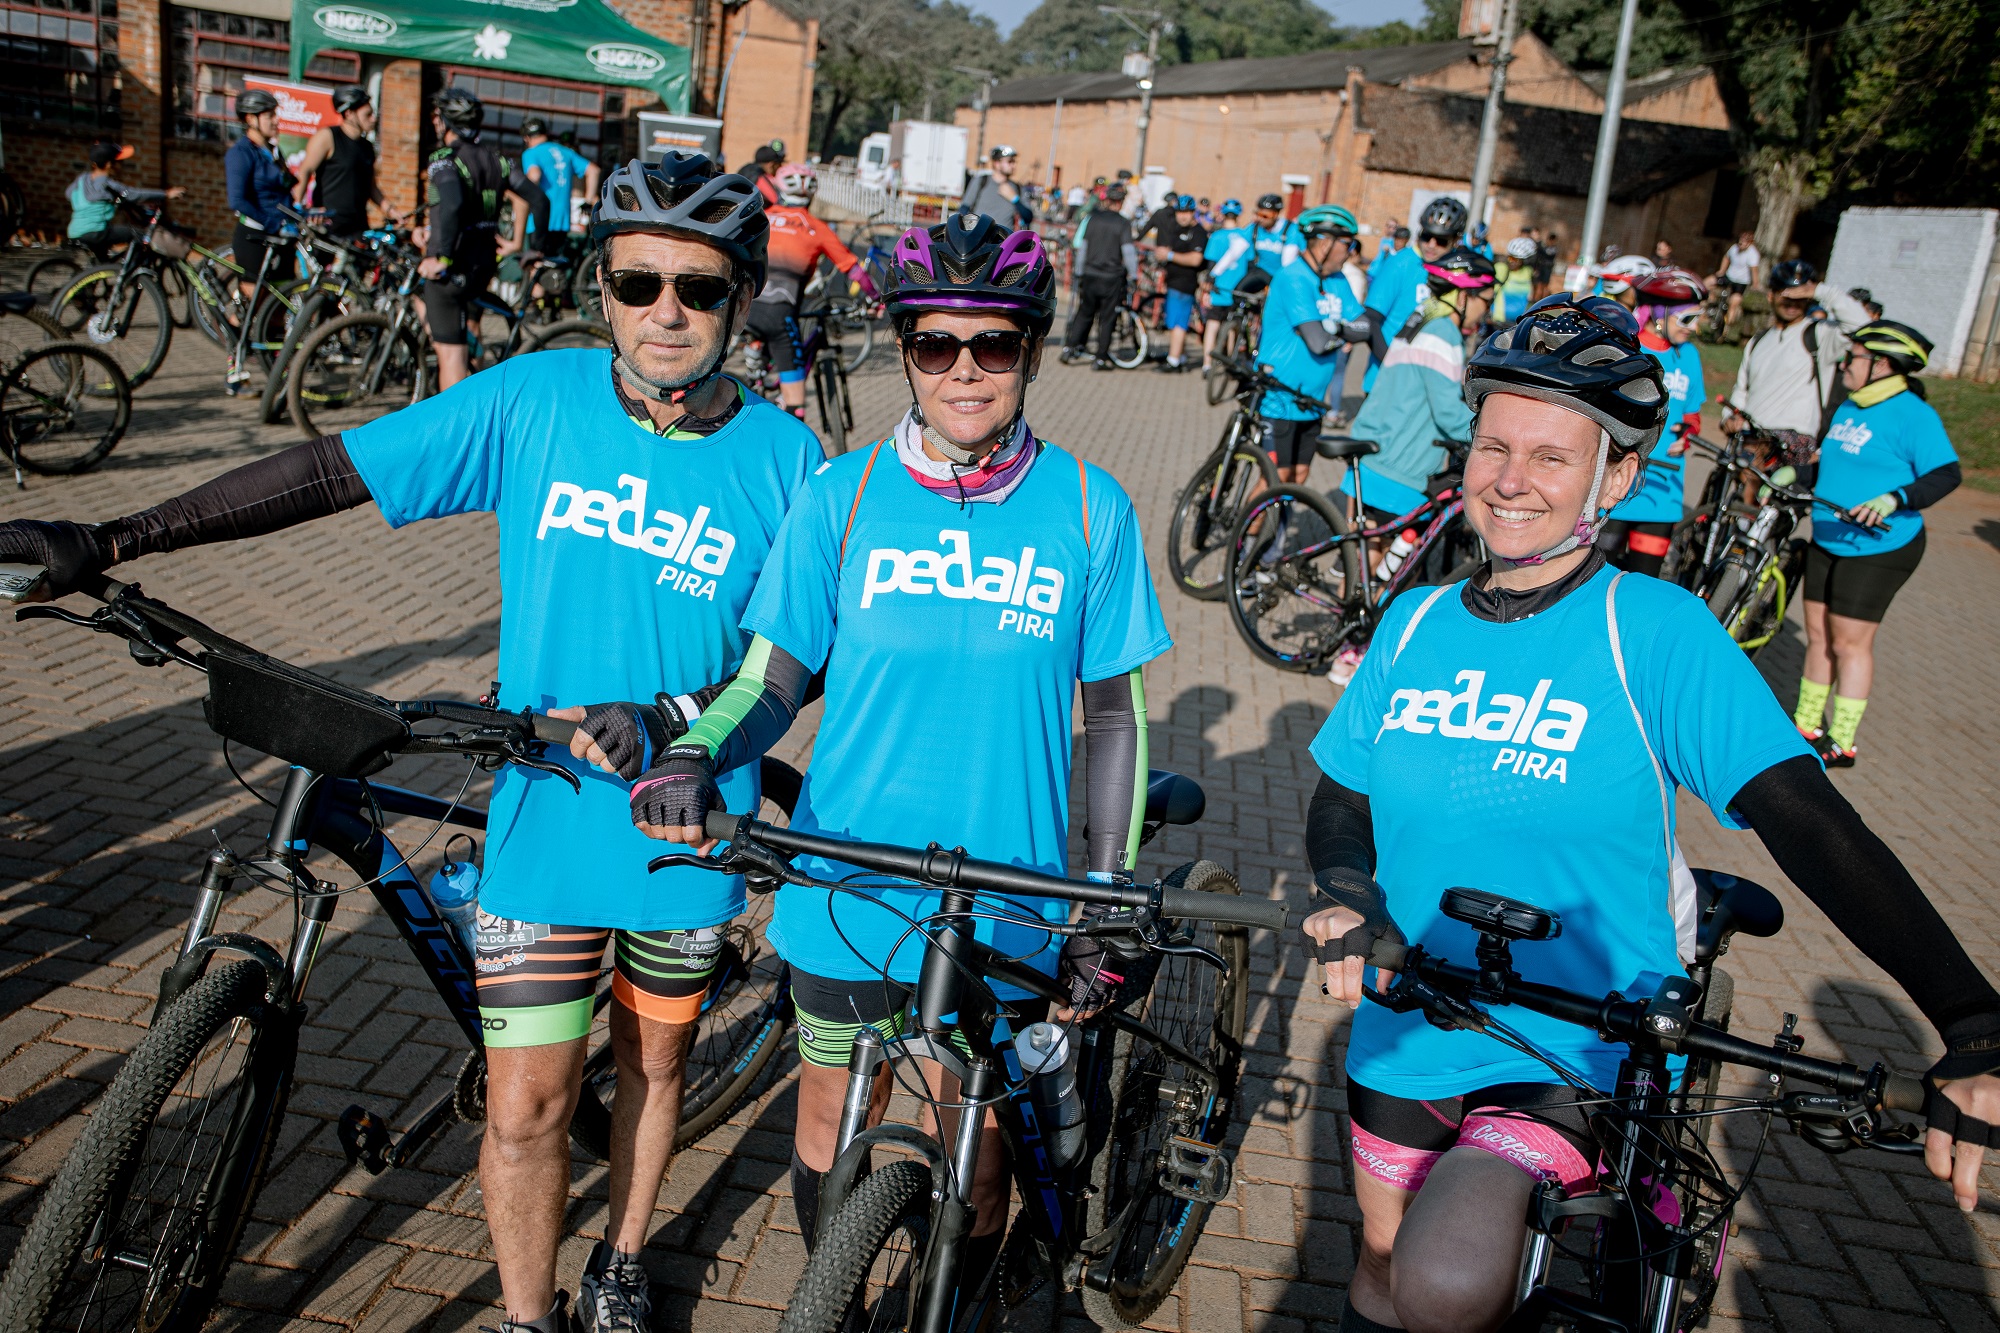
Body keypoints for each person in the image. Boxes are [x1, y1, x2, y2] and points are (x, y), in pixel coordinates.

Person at [0, 149, 819, 1333]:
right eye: (637, 282)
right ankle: (528, 1317)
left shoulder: (787, 462)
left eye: (697, 288)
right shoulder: (534, 399)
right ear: (600, 286)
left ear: (740, 298)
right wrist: (116, 536)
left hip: (683, 818)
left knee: (653, 1065)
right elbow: (328, 472)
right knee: (526, 1106)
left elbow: (796, 659)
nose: (665, 313)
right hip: (543, 808)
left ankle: (623, 1256)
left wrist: (676, 722)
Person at [1299, 291, 2000, 1333]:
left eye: (1551, 456)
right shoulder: (1414, 619)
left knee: (1442, 1280)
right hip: (1411, 1013)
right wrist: (1350, 890)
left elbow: (1812, 824)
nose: (1510, 479)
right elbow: (1341, 793)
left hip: (1578, 1037)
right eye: (1494, 445)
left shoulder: (1655, 630)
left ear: (1616, 475)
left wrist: (1972, 1020)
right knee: (1381, 1259)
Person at [615, 211, 1173, 1301]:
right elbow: (770, 681)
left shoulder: (1087, 506)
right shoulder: (845, 494)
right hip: (848, 884)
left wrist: (1103, 894)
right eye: (935, 344)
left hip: (1005, 894)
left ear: (1031, 352)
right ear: (906, 353)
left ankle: (960, 1300)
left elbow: (1115, 719)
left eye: (994, 344)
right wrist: (689, 757)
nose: (964, 370)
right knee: (828, 1128)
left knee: (978, 1150)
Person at [1793, 320, 1958, 767]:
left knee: (1849, 644)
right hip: (1828, 538)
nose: (1845, 364)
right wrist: (1798, 474)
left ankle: (1842, 741)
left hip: (1878, 547)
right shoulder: (1851, 405)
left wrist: (1894, 498)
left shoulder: (1913, 415)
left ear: (1882, 364)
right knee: (1818, 637)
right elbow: (1832, 463)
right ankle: (1806, 726)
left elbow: (1946, 474)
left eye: (1854, 357)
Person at [1332, 246, 1493, 682]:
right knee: (1390, 564)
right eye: (1485, 298)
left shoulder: (1418, 319)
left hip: (1377, 449)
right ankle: (1354, 651)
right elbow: (1449, 414)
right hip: (1402, 462)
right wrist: (1495, 437)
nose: (1486, 308)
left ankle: (1346, 639)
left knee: (1368, 557)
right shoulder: (1443, 333)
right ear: (1464, 295)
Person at [419, 89, 536, 391]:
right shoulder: (499, 160)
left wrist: (441, 255)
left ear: (445, 122)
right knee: (470, 328)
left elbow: (453, 203)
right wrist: (537, 249)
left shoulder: (444, 160)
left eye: (437, 117)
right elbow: (539, 199)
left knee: (451, 356)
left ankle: (458, 419)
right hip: (483, 265)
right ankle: (478, 378)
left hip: (452, 268)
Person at [749, 161, 879, 418]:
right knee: (795, 407)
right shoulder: (816, 228)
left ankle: (754, 357)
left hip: (743, 309)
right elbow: (852, 269)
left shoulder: (760, 219)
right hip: (779, 316)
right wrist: (876, 299)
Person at [1603, 266, 1707, 577]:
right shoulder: (1627, 349)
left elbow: (1692, 415)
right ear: (1660, 314)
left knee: (1643, 581)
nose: (1694, 327)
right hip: (1616, 483)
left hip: (1663, 488)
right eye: (1687, 319)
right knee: (1596, 576)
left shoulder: (1689, 356)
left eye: (1697, 318)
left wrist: (1689, 432)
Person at [1721, 259, 1872, 469]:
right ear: (1771, 295)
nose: (1793, 303)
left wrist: (1820, 290)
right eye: (1787, 295)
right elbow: (1742, 389)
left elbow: (1863, 327)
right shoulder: (1758, 341)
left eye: (1800, 296)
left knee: (1751, 471)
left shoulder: (1820, 334)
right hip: (1753, 436)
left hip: (1794, 442)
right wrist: (1730, 417)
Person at [1257, 204, 1368, 481]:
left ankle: (1279, 516)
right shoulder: (1294, 277)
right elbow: (1317, 342)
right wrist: (1342, 331)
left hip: (1313, 401)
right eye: (1347, 243)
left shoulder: (1338, 279)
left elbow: (1365, 327)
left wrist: (1333, 327)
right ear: (1325, 243)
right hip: (1281, 398)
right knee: (1276, 478)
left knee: (1300, 473)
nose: (1351, 251)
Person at [1358, 196, 1465, 391]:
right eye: (1426, 236)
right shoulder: (1400, 262)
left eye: (1441, 241)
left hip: (1422, 383)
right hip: (1386, 379)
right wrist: (1392, 364)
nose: (1431, 244)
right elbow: (1371, 319)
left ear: (1455, 241)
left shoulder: (1454, 272)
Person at [291, 85, 396, 240]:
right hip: (327, 225)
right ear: (349, 114)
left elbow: (371, 187)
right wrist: (298, 207)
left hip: (357, 226)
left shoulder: (367, 147)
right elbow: (305, 170)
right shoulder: (328, 137)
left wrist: (391, 211)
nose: (373, 119)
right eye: (367, 115)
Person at [224, 89, 296, 307]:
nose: (276, 120)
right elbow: (237, 200)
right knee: (252, 306)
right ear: (250, 119)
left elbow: (283, 190)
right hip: (254, 236)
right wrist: (270, 221)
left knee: (278, 306)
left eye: (275, 114)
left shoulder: (273, 151)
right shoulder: (240, 153)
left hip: (281, 237)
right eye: (270, 115)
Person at [1060, 181, 1136, 370]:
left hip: (1090, 273)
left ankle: (1070, 348)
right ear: (1120, 203)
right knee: (1107, 318)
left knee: (1084, 312)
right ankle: (1101, 357)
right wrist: (1133, 275)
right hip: (1111, 277)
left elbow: (1083, 248)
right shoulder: (1123, 223)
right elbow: (1128, 252)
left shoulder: (1093, 219)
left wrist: (1079, 272)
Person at [65, 142, 184, 261]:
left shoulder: (82, 179)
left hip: (75, 231)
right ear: (109, 164)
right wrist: (166, 194)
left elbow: (68, 194)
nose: (121, 165)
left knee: (103, 264)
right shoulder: (108, 185)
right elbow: (135, 195)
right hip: (97, 231)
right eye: (119, 162)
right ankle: (128, 269)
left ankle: (104, 270)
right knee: (140, 235)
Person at [1139, 194, 1207, 372]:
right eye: (1180, 212)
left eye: (1187, 212)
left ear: (1193, 213)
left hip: (1184, 283)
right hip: (1173, 280)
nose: (1183, 216)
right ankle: (1180, 356)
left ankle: (1174, 360)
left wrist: (1169, 255)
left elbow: (1196, 259)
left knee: (1178, 323)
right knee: (1173, 320)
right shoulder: (1176, 229)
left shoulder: (1197, 232)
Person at [520, 115, 600, 249]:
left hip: (539, 220)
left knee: (534, 259)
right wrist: (588, 200)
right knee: (555, 259)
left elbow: (534, 175)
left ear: (526, 138)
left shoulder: (531, 153)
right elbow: (594, 170)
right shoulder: (566, 152)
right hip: (562, 221)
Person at [1199, 198, 1247, 369]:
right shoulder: (1245, 237)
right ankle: (1230, 363)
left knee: (1212, 325)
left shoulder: (1217, 236)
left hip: (1218, 288)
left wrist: (1206, 288)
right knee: (1233, 328)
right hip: (1238, 289)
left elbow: (1210, 264)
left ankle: (1207, 363)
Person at [959, 144, 1033, 228]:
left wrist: (1015, 199)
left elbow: (1028, 217)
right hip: (979, 234)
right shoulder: (981, 181)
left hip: (1004, 236)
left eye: (1014, 162)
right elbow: (964, 209)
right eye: (1010, 162)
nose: (1014, 166)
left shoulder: (1018, 188)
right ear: (997, 163)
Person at [1711, 229, 1761, 335]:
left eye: (1744, 242)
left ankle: (1726, 329)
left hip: (1741, 282)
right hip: (1729, 276)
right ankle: (1710, 311)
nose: (1741, 244)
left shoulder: (1753, 254)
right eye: (1740, 241)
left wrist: (1755, 284)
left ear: (1749, 243)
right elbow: (1726, 257)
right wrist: (1722, 271)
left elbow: (1754, 270)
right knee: (1709, 283)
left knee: (1733, 304)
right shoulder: (1734, 248)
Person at [1491, 235, 1536, 326]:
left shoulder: (1528, 272)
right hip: (1497, 320)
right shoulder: (1501, 268)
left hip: (1518, 322)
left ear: (1524, 261)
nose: (1511, 261)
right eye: (1510, 257)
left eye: (1515, 259)